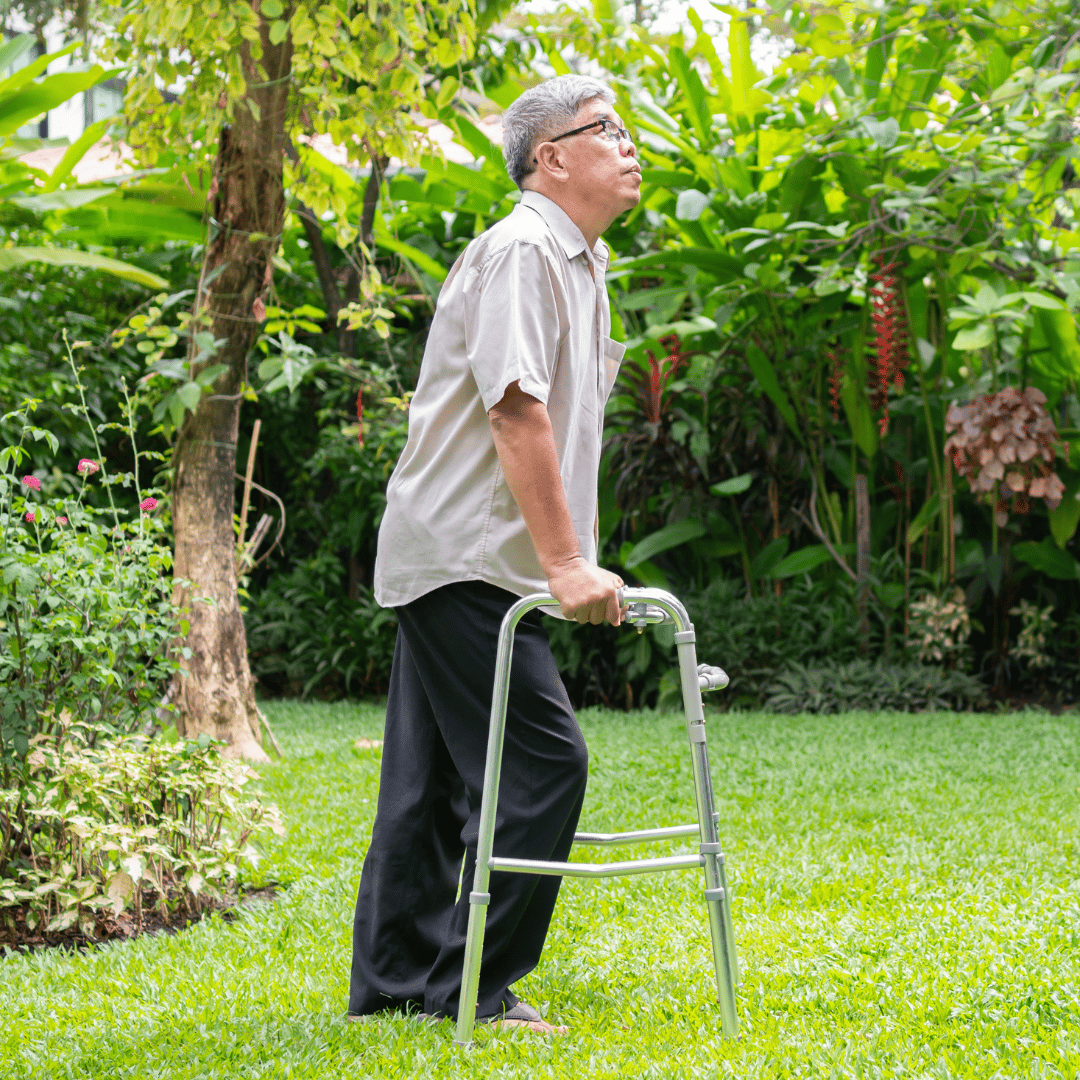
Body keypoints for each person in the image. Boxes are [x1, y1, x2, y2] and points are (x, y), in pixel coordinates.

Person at [347, 74, 642, 1035]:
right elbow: (516, 409)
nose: (629, 145)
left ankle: (398, 979)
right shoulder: (523, 250)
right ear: (550, 157)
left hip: (467, 555)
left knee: (429, 782)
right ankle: (471, 988)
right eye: (607, 130)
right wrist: (566, 566)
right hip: (467, 556)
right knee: (544, 764)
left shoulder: (580, 261)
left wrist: (562, 556)